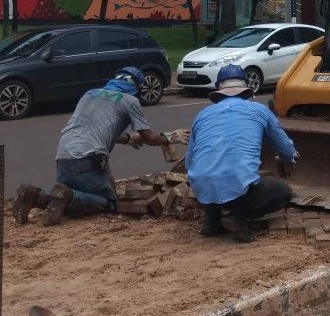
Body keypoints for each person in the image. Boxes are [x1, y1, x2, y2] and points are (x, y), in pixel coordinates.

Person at [12, 67, 187, 226]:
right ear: (137, 88)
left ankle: (35, 195)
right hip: (88, 159)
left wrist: (127, 139)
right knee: (108, 202)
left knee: (69, 193)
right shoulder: (130, 100)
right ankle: (67, 196)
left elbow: (94, 128)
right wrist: (170, 137)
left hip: (63, 155)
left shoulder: (90, 94)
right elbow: (149, 138)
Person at [185, 65, 297, 243]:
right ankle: (238, 217)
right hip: (241, 194)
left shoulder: (202, 114)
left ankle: (212, 221)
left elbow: (189, 162)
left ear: (218, 90)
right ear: (246, 89)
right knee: (284, 193)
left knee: (216, 179)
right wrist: (288, 160)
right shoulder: (260, 110)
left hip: (202, 191)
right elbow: (285, 149)